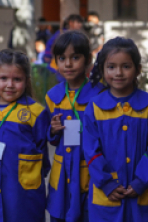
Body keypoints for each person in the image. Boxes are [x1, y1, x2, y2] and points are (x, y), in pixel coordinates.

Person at [83, 37, 148, 222]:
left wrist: (141, 182)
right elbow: (91, 151)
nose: (118, 73)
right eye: (111, 67)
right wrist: (107, 183)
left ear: (138, 69)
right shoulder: (94, 108)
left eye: (126, 66)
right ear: (102, 69)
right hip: (106, 193)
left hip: (142, 192)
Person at [0, 50, 50, 222]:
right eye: (3, 78)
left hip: (24, 197)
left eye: (17, 79)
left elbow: (43, 158)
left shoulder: (36, 113)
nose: (10, 84)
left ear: (26, 81)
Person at [45, 31, 105, 222]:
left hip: (89, 172)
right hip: (62, 174)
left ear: (88, 60)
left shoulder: (100, 96)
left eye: (75, 57)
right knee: (60, 214)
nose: (68, 64)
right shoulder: (52, 96)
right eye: (62, 58)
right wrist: (53, 130)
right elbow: (53, 139)